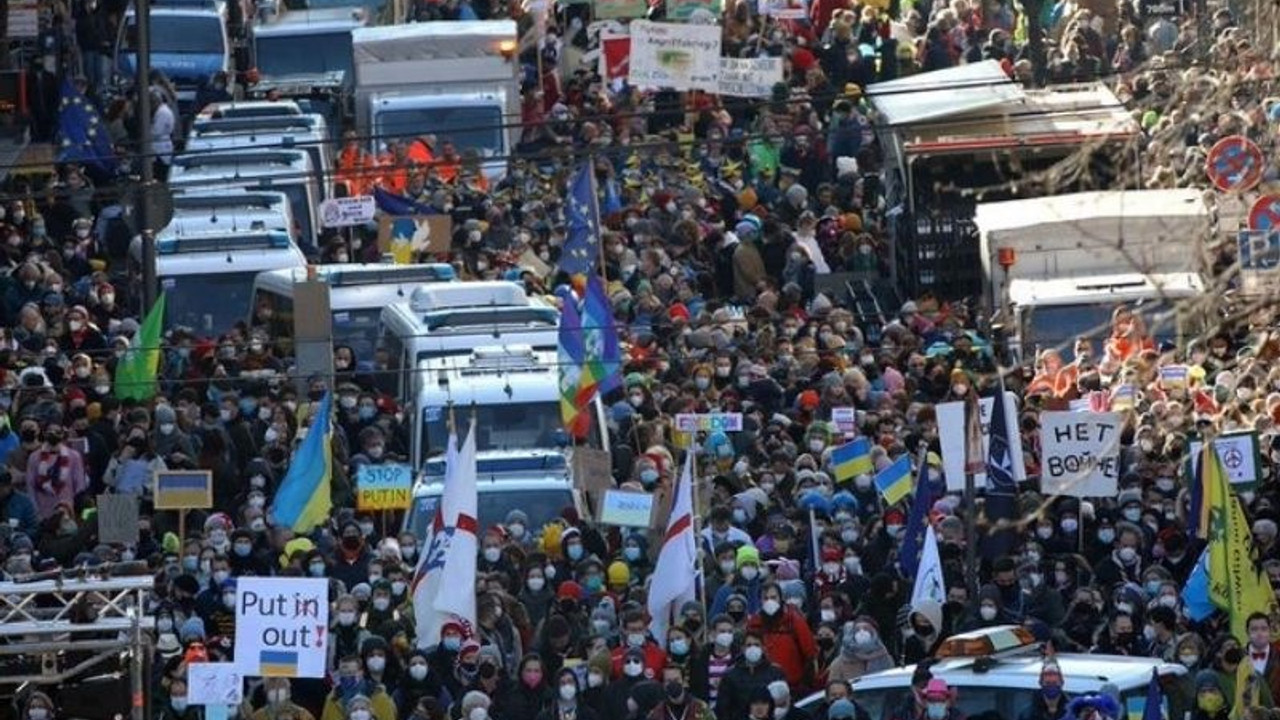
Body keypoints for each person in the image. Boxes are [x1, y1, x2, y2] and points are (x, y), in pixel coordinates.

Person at [715, 631, 787, 720]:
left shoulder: (775, 673)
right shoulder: (731, 676)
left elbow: (783, 705)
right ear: (743, 648)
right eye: (749, 645)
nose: (753, 648)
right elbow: (723, 709)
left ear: (763, 648)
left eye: (756, 645)